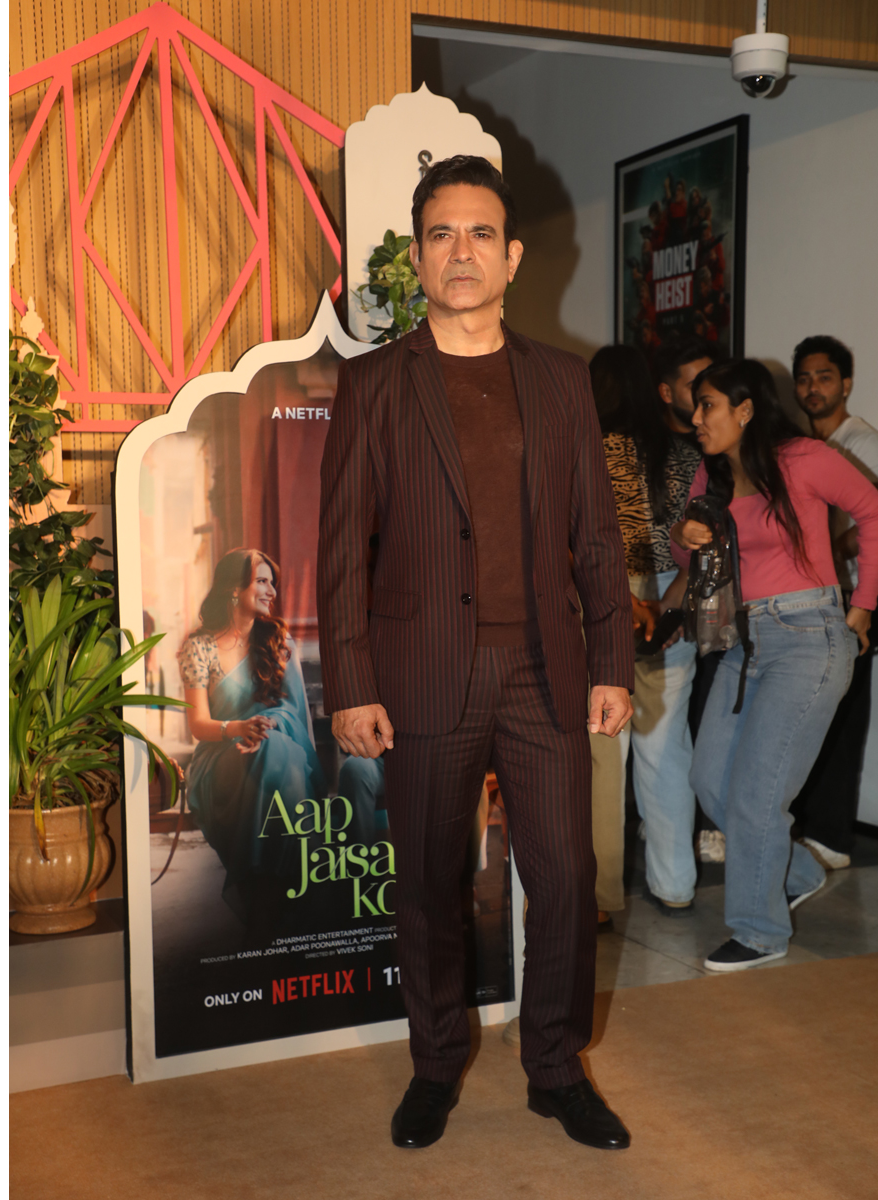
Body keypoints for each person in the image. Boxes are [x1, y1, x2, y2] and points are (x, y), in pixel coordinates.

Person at [318, 155, 635, 1151]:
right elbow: (342, 549)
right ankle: (434, 1064)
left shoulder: (562, 380)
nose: (462, 251)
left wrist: (612, 662)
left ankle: (556, 1070)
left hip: (546, 672)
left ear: (513, 257)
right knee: (427, 885)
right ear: (418, 257)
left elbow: (595, 535)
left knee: (566, 878)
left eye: (481, 233)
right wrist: (351, 681)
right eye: (442, 234)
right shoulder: (374, 384)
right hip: (422, 674)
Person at [673, 360, 878, 972]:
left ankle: (760, 933)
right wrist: (687, 540)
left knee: (758, 795)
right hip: (743, 642)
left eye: (707, 404)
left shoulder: (803, 458)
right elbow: (696, 568)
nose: (695, 417)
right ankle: (796, 871)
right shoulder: (709, 477)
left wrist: (863, 605)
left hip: (806, 635)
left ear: (744, 409)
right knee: (710, 781)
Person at [592, 341, 709, 920]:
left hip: (605, 597)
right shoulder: (685, 455)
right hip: (671, 599)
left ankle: (600, 896)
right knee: (666, 748)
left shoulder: (582, 449)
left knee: (602, 752)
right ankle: (675, 884)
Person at [178, 548, 327, 925]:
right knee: (273, 754)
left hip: (277, 749)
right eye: (262, 581)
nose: (272, 591)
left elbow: (293, 712)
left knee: (275, 751)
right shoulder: (200, 646)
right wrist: (239, 729)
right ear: (234, 589)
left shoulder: (278, 642)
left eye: (272, 583)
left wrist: (266, 726)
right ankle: (275, 895)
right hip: (220, 759)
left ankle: (269, 897)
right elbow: (199, 724)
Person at [787, 336, 878, 870]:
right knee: (817, 710)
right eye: (804, 378)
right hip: (818, 595)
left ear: (845, 384)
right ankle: (813, 825)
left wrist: (844, 548)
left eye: (824, 377)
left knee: (843, 714)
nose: (812, 387)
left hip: (858, 595)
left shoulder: (862, 442)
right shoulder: (804, 445)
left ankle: (833, 838)